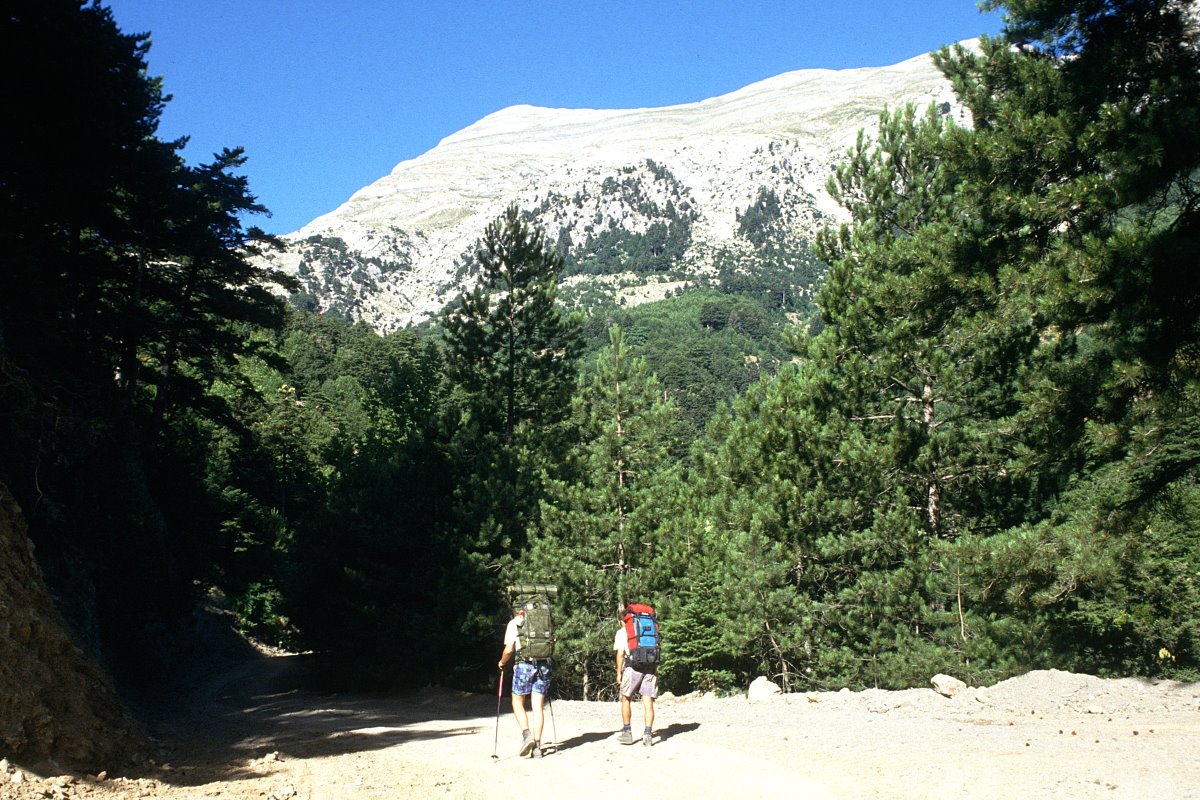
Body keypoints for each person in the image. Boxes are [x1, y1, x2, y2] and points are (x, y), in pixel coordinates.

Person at [498, 610, 550, 758]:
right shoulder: (544, 620)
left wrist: (502, 662)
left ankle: (527, 735)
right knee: (538, 706)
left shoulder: (515, 623)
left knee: (517, 702)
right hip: (544, 665)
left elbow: (508, 650)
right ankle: (538, 747)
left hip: (524, 665)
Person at [614, 611, 656, 747]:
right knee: (647, 699)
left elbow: (620, 654)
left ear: (622, 621)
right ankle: (648, 735)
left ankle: (627, 732)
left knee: (625, 698)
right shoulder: (648, 628)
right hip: (650, 665)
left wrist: (618, 672)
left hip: (632, 667)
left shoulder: (622, 632)